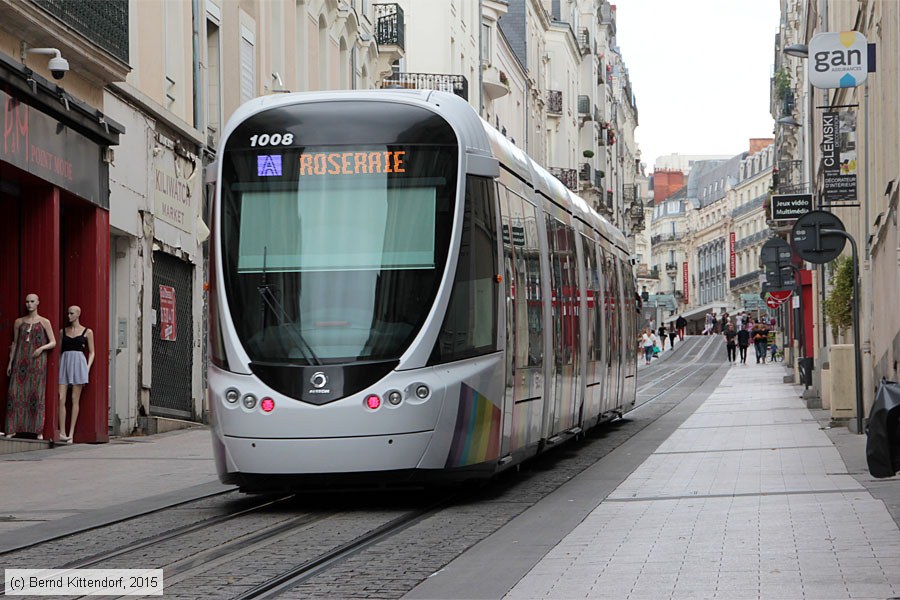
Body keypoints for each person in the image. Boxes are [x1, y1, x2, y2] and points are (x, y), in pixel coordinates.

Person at [4, 293, 56, 439]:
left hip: (37, 361)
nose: (29, 304)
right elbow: (15, 343)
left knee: (36, 393)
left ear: (38, 302)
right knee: (15, 393)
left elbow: (53, 342)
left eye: (32, 301)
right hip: (20, 360)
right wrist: (10, 362)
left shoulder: (44, 322)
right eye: (27, 302)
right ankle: (12, 428)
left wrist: (41, 349)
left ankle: (37, 430)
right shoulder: (19, 322)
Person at [57, 306, 95, 443]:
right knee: (60, 398)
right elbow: (59, 352)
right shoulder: (63, 332)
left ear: (78, 314)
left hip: (79, 364)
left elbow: (92, 352)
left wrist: (87, 368)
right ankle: (62, 432)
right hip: (65, 364)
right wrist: (59, 367)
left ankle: (71, 433)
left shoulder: (87, 332)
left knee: (74, 399)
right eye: (68, 313)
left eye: (71, 313)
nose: (69, 316)